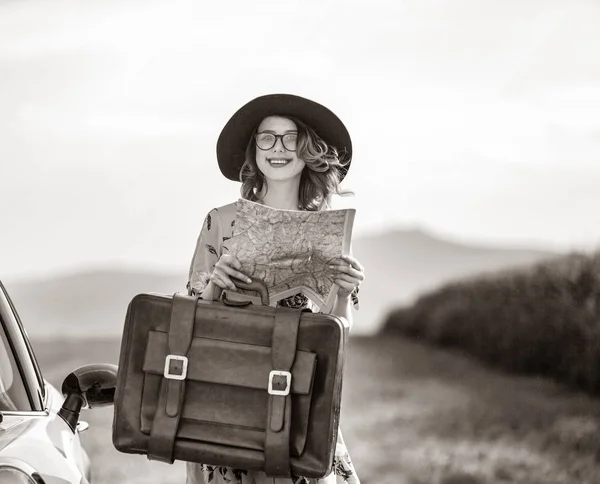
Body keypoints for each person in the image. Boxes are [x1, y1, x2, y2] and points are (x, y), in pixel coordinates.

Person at [185, 94, 365, 484]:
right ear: (253, 150)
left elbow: (338, 332)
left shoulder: (330, 229)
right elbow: (190, 324)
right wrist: (215, 285)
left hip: (300, 403)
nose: (279, 148)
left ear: (307, 149)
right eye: (267, 138)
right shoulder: (220, 222)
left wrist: (341, 291)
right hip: (230, 400)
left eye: (290, 138)